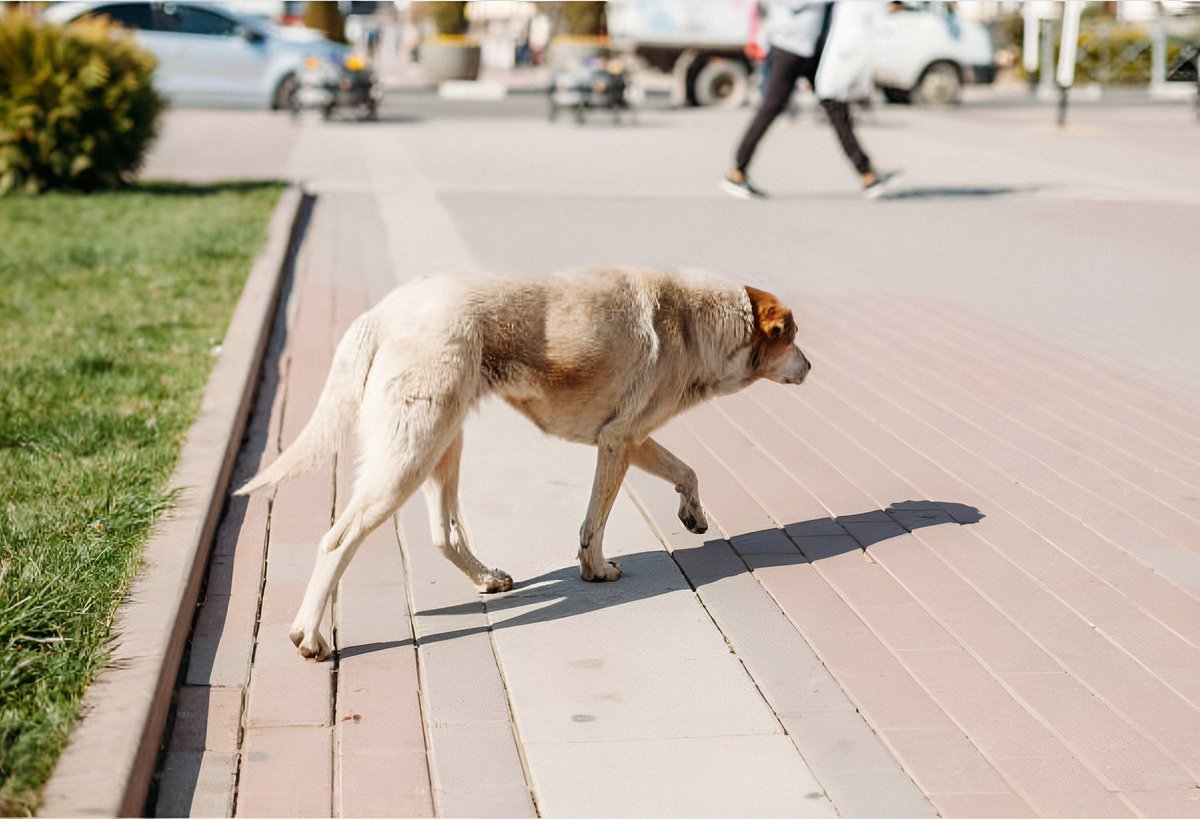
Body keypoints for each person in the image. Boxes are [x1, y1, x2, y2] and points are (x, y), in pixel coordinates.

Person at [722, 0, 897, 200]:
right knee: (770, 108)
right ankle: (737, 171)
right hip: (790, 48)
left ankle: (867, 174)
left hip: (811, 48)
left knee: (834, 104)